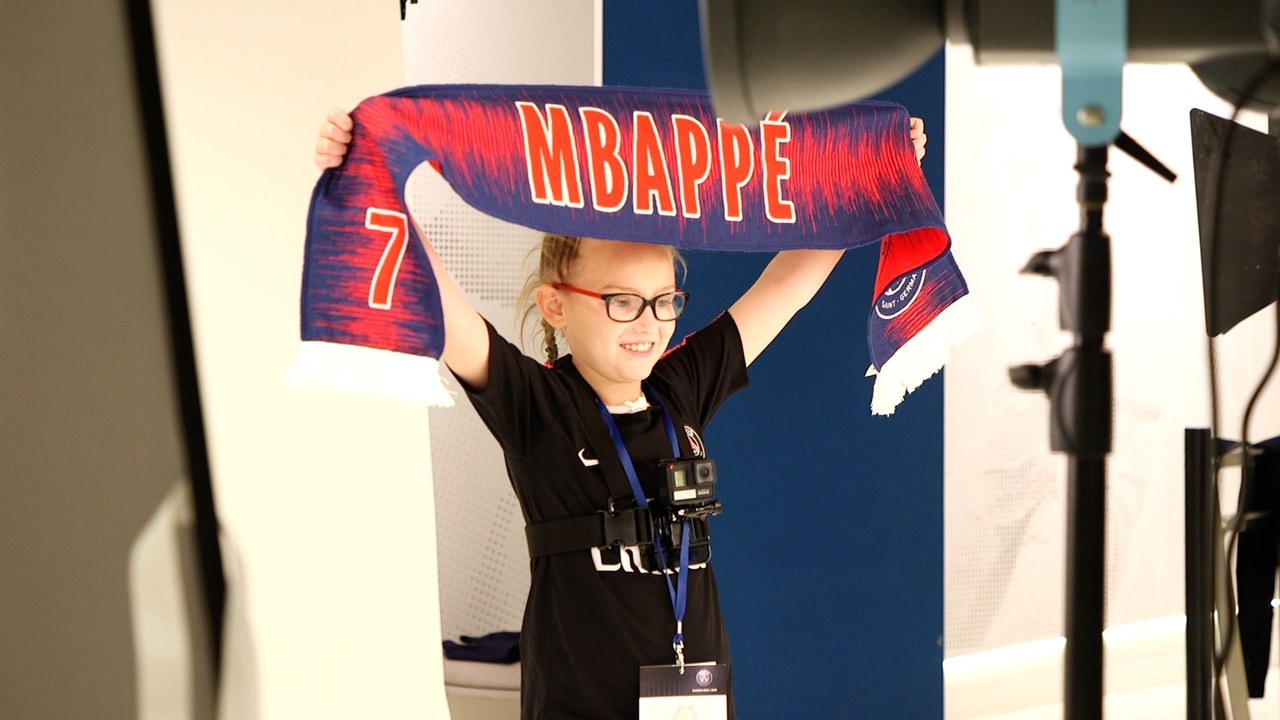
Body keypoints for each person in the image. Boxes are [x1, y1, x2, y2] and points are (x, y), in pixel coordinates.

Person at [314, 107, 926, 720]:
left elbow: (789, 281)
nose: (650, 325)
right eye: (622, 303)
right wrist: (368, 175)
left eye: (664, 302)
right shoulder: (538, 406)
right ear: (555, 305)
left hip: (698, 700)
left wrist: (876, 175)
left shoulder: (678, 387)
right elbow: (432, 299)